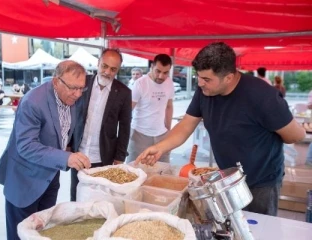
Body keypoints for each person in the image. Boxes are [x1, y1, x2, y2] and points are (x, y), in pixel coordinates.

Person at [135, 42, 306, 216]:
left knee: (258, 230)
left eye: (207, 79)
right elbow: (186, 125)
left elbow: (295, 135)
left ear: (229, 78)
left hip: (261, 182)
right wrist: (159, 147)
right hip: (226, 178)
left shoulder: (263, 96)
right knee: (229, 226)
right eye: (198, 77)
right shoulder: (204, 91)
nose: (200, 84)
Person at [0, 60, 91, 240]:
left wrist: (69, 149)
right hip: (25, 181)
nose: (78, 94)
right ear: (56, 82)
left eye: (81, 88)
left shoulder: (73, 99)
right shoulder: (33, 101)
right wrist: (66, 157)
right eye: (73, 88)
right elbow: (26, 146)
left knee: (43, 230)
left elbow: (62, 131)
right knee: (21, 234)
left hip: (50, 179)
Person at [70, 49, 132, 201]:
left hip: (103, 156)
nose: (107, 72)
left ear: (118, 70)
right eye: (104, 66)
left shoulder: (124, 92)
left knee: (99, 200)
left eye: (113, 69)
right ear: (98, 63)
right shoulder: (82, 83)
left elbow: (125, 127)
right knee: (76, 196)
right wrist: (67, 144)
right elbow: (70, 114)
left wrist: (119, 157)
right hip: (78, 154)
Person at [126, 54, 174, 163]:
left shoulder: (169, 83)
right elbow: (128, 109)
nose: (161, 76)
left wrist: (168, 129)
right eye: (158, 71)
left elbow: (169, 106)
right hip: (139, 134)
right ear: (152, 67)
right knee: (134, 168)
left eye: (165, 72)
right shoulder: (140, 84)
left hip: (162, 135)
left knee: (163, 170)